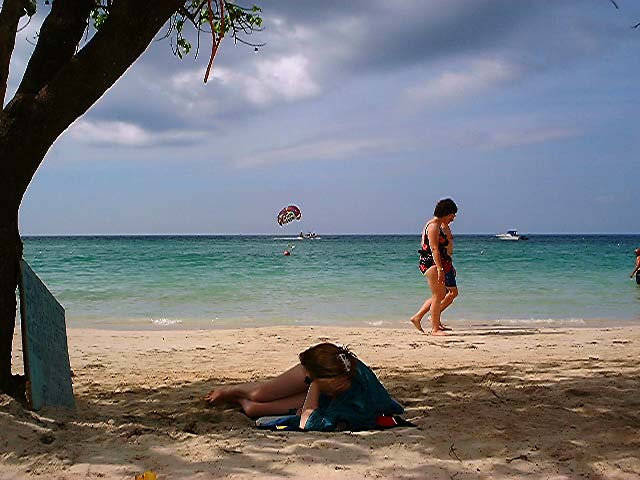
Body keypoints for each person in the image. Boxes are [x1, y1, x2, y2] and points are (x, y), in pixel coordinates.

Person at [204, 342, 403, 431]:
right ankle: (233, 390)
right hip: (322, 378)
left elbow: (307, 423)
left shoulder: (354, 400)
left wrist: (314, 385)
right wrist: (314, 381)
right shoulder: (336, 370)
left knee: (253, 408)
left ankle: (240, 400)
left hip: (323, 385)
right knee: (260, 395)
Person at [410, 198, 458, 335]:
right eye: (452, 215)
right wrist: (440, 269)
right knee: (438, 295)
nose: (453, 218)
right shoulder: (433, 227)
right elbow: (434, 249)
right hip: (430, 263)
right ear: (446, 212)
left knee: (440, 294)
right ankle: (434, 329)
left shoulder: (438, 225)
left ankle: (418, 318)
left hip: (436, 262)